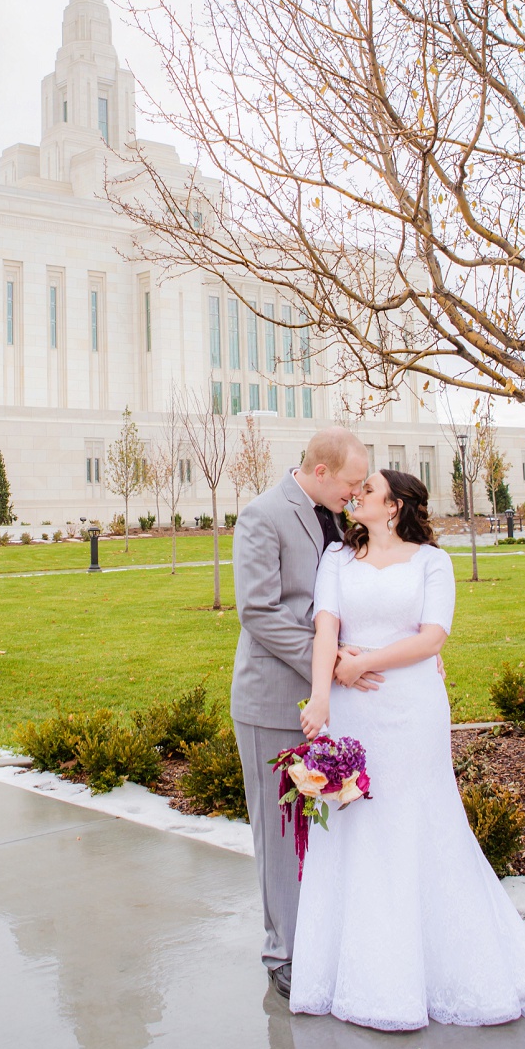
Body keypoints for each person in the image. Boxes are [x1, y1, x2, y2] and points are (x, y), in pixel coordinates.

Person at [291, 468, 525, 1029]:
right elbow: (325, 629)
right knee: (358, 826)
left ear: (393, 506)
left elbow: (432, 636)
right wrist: (321, 696)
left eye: (367, 490)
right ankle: (360, 973)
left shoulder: (432, 562)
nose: (356, 495)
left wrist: (363, 662)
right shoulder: (337, 560)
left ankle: (448, 970)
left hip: (412, 710)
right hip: (352, 710)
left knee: (420, 820)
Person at [231, 427, 373, 999]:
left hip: (332, 703)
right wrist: (329, 665)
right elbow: (259, 613)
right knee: (279, 832)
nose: (358, 493)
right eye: (351, 482)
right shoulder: (262, 516)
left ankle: (324, 937)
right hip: (271, 699)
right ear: (320, 472)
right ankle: (283, 953)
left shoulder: (341, 516)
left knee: (327, 832)